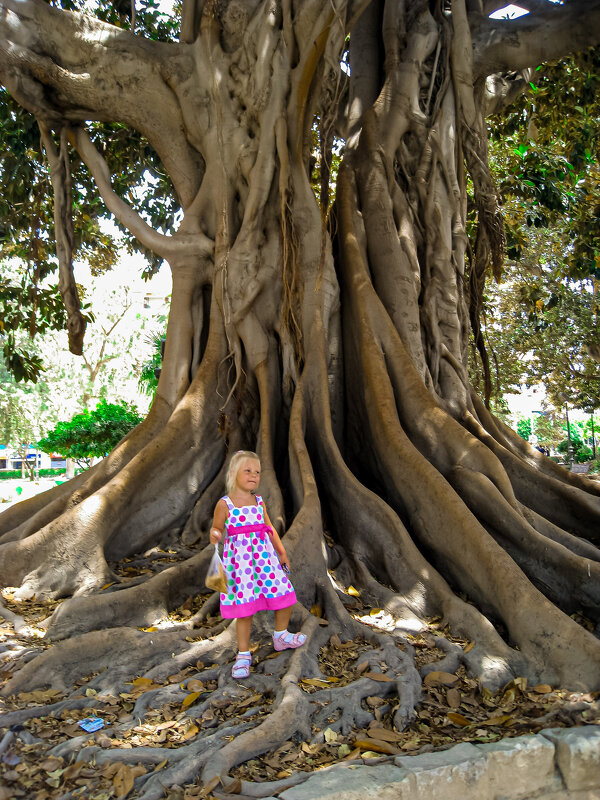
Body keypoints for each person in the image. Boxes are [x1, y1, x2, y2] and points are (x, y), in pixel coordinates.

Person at [210, 450, 306, 679]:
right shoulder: (225, 504)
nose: (254, 475)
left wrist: (281, 552)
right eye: (248, 471)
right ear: (233, 473)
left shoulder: (258, 501)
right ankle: (243, 654)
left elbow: (270, 528)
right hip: (241, 565)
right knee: (244, 611)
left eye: (257, 472)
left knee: (285, 595)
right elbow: (217, 527)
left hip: (265, 561)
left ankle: (281, 636)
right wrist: (214, 534)